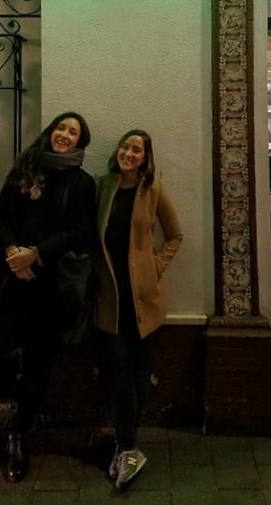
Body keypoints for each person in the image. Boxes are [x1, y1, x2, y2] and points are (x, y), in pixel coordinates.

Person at [0, 112, 96, 483]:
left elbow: (80, 231)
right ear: (50, 131)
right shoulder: (26, 168)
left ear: (80, 142)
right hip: (11, 279)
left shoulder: (81, 183)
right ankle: (15, 405)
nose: (64, 135)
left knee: (40, 363)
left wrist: (37, 253)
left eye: (73, 132)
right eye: (61, 128)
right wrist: (13, 252)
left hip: (50, 286)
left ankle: (17, 435)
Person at [96, 129, 183, 490]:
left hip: (143, 298)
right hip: (108, 295)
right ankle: (126, 444)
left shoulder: (154, 191)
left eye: (136, 150)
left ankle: (127, 445)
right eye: (125, 147)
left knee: (137, 368)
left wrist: (155, 266)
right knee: (118, 367)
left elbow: (175, 235)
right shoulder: (103, 187)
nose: (128, 154)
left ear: (145, 158)